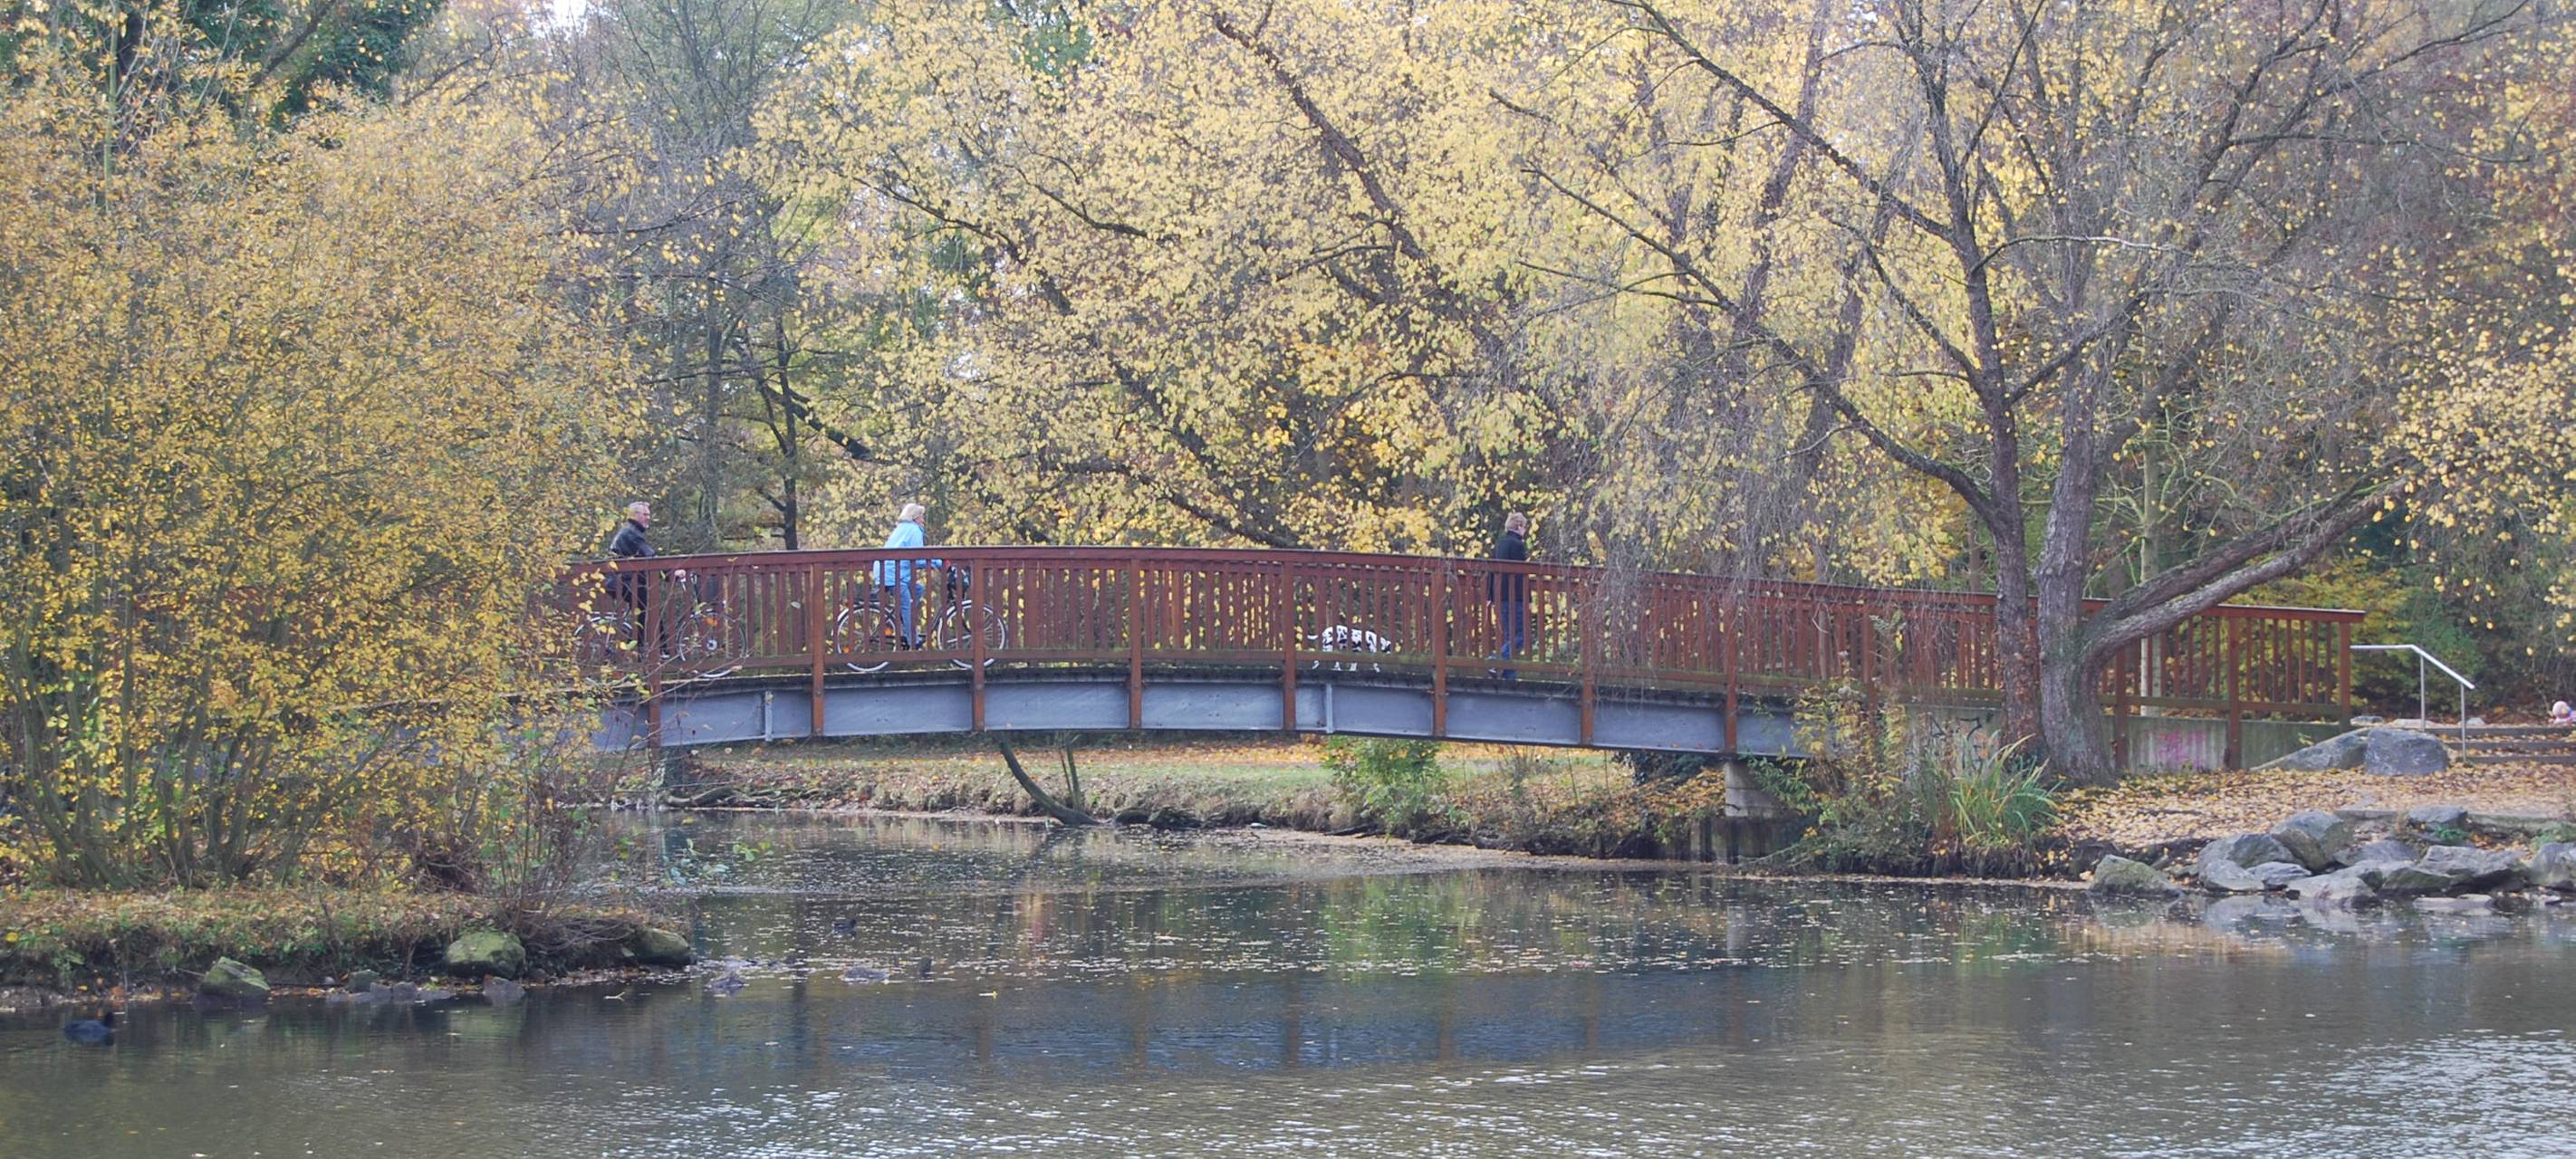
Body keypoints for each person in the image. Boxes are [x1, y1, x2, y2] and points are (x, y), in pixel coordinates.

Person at [873, 503, 943, 647]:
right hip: (893, 574)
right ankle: (913, 641)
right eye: (921, 517)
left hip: (889, 571)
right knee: (906, 605)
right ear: (915, 518)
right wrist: (936, 563)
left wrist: (932, 562)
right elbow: (916, 557)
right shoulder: (914, 530)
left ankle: (903, 619)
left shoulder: (902, 528)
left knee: (918, 589)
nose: (923, 520)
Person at [1486, 512, 1531, 679]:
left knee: (1509, 635)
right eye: (1524, 527)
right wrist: (1529, 599)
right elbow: (1523, 575)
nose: (1525, 530)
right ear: (1519, 526)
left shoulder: (1499, 544)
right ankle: (1496, 660)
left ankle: (1509, 676)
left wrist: (1489, 595)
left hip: (1500, 596)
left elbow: (1491, 570)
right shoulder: (1518, 545)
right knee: (1521, 635)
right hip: (1516, 596)